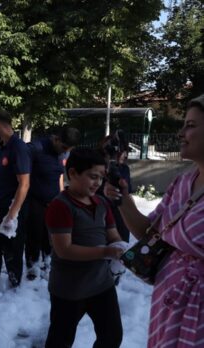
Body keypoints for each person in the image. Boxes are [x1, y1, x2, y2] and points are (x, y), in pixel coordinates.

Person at [104, 94, 204, 347]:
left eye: (190, 125)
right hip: (169, 306)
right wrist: (123, 200)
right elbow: (151, 233)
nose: (181, 133)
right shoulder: (181, 184)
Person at [45, 148, 124, 348]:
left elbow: (112, 235)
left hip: (101, 285)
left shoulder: (102, 203)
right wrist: (105, 252)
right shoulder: (60, 206)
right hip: (69, 289)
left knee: (112, 337)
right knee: (60, 341)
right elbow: (65, 250)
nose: (98, 183)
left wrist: (120, 248)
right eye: (92, 177)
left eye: (101, 177)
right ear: (72, 174)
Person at [0, 111, 31, 287]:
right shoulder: (3, 148)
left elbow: (24, 184)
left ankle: (13, 290)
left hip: (10, 211)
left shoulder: (18, 148)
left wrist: (12, 215)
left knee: (12, 253)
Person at [24, 127, 80, 280]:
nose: (65, 152)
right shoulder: (36, 148)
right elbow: (22, 174)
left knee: (51, 237)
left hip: (54, 200)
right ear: (55, 139)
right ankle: (32, 266)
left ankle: (47, 263)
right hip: (35, 200)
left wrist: (61, 196)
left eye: (68, 149)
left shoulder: (63, 153)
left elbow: (59, 175)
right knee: (34, 235)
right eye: (63, 147)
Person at [96, 133, 133, 243]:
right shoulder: (96, 167)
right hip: (100, 214)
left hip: (119, 213)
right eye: (122, 151)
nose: (125, 155)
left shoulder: (124, 169)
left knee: (121, 244)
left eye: (125, 151)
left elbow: (127, 193)